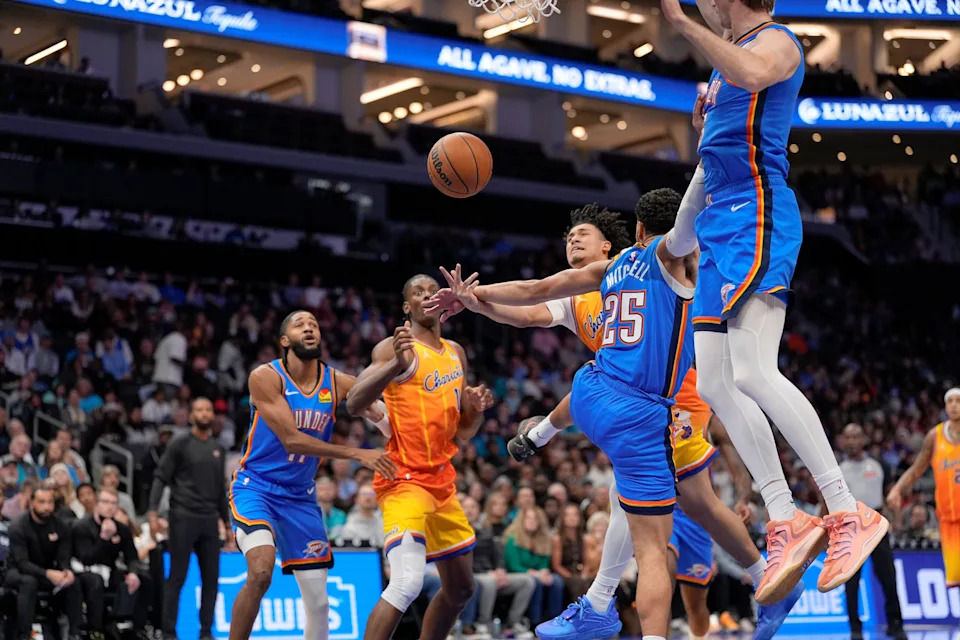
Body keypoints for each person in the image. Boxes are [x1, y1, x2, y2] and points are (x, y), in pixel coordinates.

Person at [428, 191, 796, 638]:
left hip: (670, 402)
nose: (572, 241)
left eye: (582, 234)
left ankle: (600, 603)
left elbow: (682, 244)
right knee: (698, 503)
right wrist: (474, 299)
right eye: (567, 237)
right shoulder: (586, 288)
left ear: (613, 243)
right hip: (632, 403)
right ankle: (765, 578)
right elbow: (529, 304)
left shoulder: (646, 260)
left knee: (636, 512)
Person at [658, 0, 887, 601]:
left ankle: (846, 508)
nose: (699, 4)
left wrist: (681, 26)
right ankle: (785, 514)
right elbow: (707, 169)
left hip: (759, 212)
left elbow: (756, 75)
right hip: (717, 226)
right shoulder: (718, 70)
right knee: (712, 384)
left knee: (757, 372)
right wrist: (676, 240)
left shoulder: (778, 42)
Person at [227, 311, 397, 640]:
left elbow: (382, 418)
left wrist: (391, 405)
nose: (309, 328)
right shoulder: (265, 377)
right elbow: (292, 439)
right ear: (284, 340)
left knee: (319, 602)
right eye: (300, 324)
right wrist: (357, 453)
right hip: (257, 489)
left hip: (300, 497)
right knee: (261, 571)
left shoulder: (338, 381)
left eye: (315, 324)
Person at [345, 275, 493, 640]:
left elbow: (463, 431)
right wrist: (393, 364)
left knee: (461, 589)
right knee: (407, 583)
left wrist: (474, 411)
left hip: (441, 482)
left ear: (442, 301)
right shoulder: (397, 348)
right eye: (418, 292)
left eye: (432, 291)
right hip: (404, 480)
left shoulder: (456, 352)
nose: (427, 295)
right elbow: (353, 403)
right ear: (406, 308)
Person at [148, 398, 232, 640]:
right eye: (199, 410)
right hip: (183, 516)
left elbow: (219, 491)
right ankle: (168, 633)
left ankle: (206, 632)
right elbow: (160, 477)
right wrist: (153, 512)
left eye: (208, 410)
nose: (204, 414)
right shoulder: (180, 443)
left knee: (211, 579)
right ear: (191, 415)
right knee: (177, 577)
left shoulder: (218, 448)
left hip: (209, 519)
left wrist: (226, 524)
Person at [887, 387, 960, 591]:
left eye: (958, 401)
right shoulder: (935, 436)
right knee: (956, 580)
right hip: (948, 519)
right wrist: (897, 489)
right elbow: (917, 469)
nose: (954, 405)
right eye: (950, 401)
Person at [837, 423, 905, 640]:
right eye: (848, 437)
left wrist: (897, 520)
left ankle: (895, 624)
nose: (852, 442)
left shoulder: (878, 465)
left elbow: (891, 496)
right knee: (851, 581)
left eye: (856, 436)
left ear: (863, 439)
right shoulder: (838, 470)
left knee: (888, 577)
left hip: (876, 524)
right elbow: (827, 501)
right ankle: (855, 629)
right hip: (850, 527)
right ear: (843, 441)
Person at [73, 488, 153, 640]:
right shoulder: (81, 527)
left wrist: (133, 573)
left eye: (113, 503)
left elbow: (132, 557)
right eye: (105, 502)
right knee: (94, 581)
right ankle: (96, 629)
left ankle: (137, 628)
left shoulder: (122, 529)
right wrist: (103, 538)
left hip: (110, 571)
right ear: (97, 504)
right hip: (84, 572)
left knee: (145, 580)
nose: (109, 506)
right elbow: (86, 558)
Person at [5, 485, 83, 640]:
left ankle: (75, 633)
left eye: (50, 502)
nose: (47, 507)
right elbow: (22, 563)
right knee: (29, 582)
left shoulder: (60, 526)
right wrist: (48, 574)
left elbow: (63, 557)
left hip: (47, 571)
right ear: (32, 502)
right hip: (16, 572)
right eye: (42, 502)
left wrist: (66, 571)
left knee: (73, 581)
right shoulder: (18, 526)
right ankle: (24, 635)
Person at [463, 495, 535, 639]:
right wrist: (489, 572)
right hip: (473, 574)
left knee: (527, 581)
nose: (470, 510)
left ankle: (513, 623)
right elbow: (463, 560)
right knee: (490, 581)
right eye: (466, 507)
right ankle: (483, 624)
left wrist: (500, 569)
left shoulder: (485, 530)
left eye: (473, 507)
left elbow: (497, 556)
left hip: (491, 573)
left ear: (479, 511)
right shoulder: (456, 531)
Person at [504, 506, 563, 626]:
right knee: (536, 582)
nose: (532, 521)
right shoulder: (513, 539)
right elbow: (513, 565)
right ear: (522, 520)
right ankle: (534, 622)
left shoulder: (543, 540)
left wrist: (544, 571)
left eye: (535, 519)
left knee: (556, 581)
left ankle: (555, 621)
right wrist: (536, 573)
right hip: (520, 574)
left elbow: (544, 561)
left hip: (538, 574)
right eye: (528, 518)